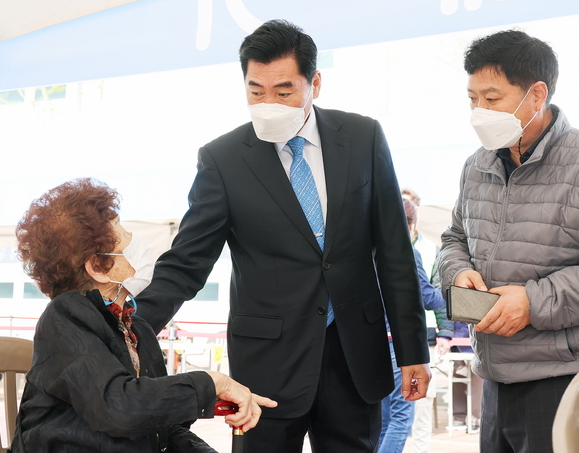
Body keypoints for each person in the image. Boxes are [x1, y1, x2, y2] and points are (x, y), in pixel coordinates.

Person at [137, 19, 430, 453]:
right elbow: (186, 263)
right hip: (267, 368)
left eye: (284, 91)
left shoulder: (363, 137)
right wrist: (127, 330)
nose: (268, 103)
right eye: (256, 91)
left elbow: (395, 254)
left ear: (315, 84)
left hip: (354, 356)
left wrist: (413, 350)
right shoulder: (224, 159)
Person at [438, 30, 579, 453]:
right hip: (495, 377)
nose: (479, 112)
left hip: (569, 379)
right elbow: (454, 238)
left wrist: (533, 302)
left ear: (537, 94)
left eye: (492, 98)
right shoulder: (476, 165)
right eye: (472, 99)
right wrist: (458, 271)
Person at [11, 178, 275, 453]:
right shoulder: (66, 317)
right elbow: (121, 407)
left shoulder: (134, 327)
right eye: (123, 234)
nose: (135, 241)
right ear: (98, 267)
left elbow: (162, 429)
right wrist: (212, 382)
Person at [379, 198, 449, 453]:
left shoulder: (368, 249)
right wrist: (452, 292)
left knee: (383, 420)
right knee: (401, 418)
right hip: (399, 345)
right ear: (410, 225)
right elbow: (428, 297)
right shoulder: (407, 252)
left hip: (375, 343)